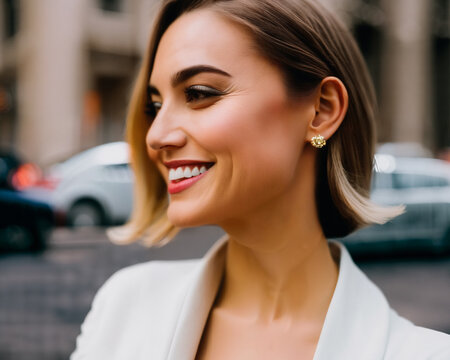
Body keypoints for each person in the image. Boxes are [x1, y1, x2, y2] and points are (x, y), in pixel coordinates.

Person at [71, 0, 450, 359]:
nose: (155, 135)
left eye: (199, 93)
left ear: (320, 111)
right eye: (155, 106)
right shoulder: (123, 306)